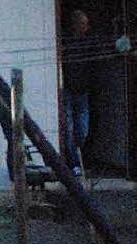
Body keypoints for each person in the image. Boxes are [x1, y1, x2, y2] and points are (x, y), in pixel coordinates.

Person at [63, 9, 94, 175]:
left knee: (82, 130)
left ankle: (80, 156)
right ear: (76, 25)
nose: (86, 27)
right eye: (83, 24)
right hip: (68, 89)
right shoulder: (65, 41)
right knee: (68, 128)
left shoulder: (89, 43)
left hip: (83, 91)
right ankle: (74, 164)